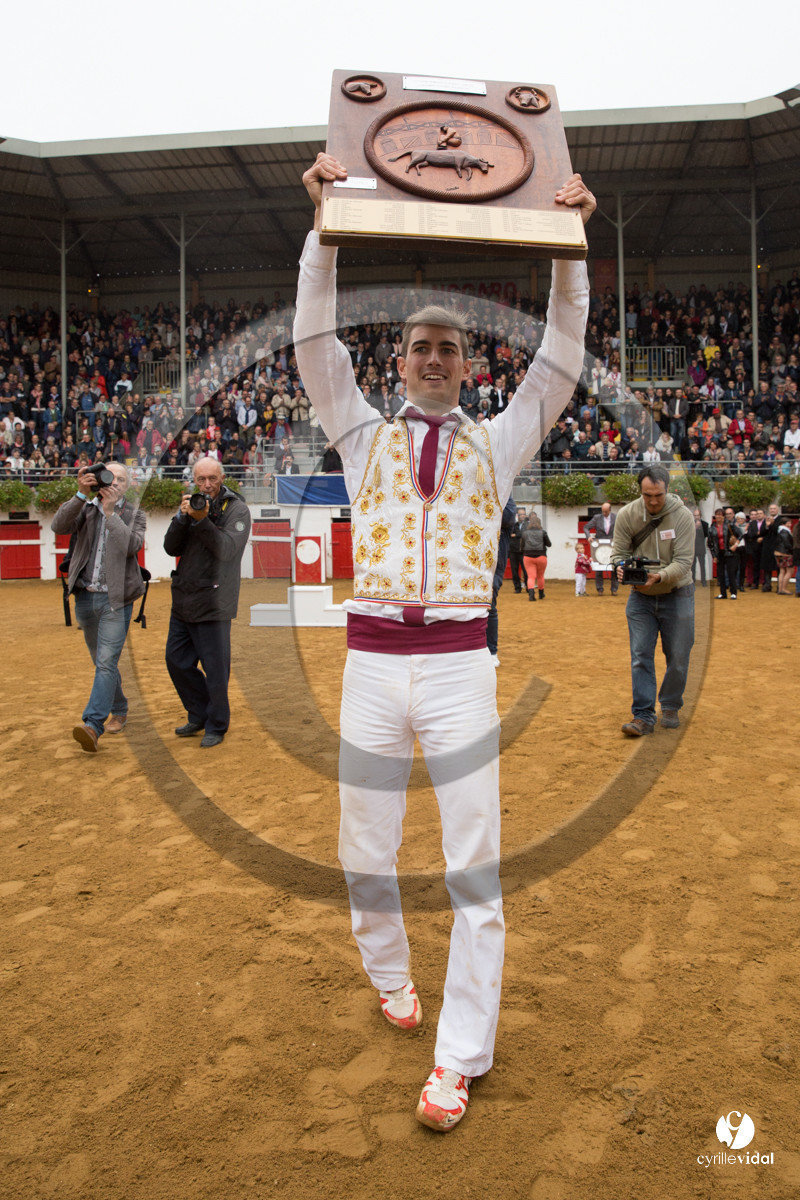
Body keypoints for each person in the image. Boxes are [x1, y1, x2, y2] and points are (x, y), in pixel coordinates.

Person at [295, 151, 594, 1132]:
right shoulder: (359, 434)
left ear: (466, 365)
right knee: (362, 852)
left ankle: (457, 1058)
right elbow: (311, 344)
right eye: (418, 345)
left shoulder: (498, 441)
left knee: (475, 866)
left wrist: (566, 250)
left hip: (463, 664)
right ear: (398, 361)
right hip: (373, 663)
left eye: (447, 349)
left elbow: (558, 357)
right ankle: (389, 973)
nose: (430, 357)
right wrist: (325, 223)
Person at [51, 462, 146, 751]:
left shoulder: (134, 513)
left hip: (116, 601)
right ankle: (119, 706)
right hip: (85, 596)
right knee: (102, 661)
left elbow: (132, 546)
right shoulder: (86, 507)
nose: (113, 483)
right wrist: (80, 495)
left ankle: (93, 724)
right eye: (109, 477)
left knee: (106, 662)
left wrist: (110, 513)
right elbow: (58, 526)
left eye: (120, 479)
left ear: (127, 486)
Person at [163, 457, 251, 748]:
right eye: (201, 479)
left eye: (212, 478)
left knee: (215, 670)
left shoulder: (236, 508)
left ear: (222, 477)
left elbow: (226, 550)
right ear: (194, 479)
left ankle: (216, 725)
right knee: (176, 661)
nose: (207, 485)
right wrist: (181, 517)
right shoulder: (192, 506)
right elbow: (170, 547)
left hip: (215, 601)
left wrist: (202, 522)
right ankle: (199, 713)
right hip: (184, 598)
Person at [611, 464, 695, 736]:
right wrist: (620, 567)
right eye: (647, 495)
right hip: (640, 599)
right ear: (641, 490)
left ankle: (670, 704)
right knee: (640, 656)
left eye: (658, 495)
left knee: (678, 656)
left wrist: (658, 577)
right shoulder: (627, 514)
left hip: (678, 594)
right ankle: (643, 716)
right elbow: (618, 553)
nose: (653, 501)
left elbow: (683, 562)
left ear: (667, 490)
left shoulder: (682, 516)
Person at [486, 495, 517, 664]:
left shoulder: (506, 499)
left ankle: (491, 651)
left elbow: (507, 517)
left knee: (490, 605)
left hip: (493, 563)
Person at [583, 502, 618, 594]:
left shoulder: (616, 517)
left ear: (610, 510)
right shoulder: (597, 518)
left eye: (606, 511)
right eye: (603, 511)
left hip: (612, 545)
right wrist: (589, 536)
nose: (604, 513)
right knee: (598, 567)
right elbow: (586, 527)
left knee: (614, 566)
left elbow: (622, 528)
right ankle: (600, 589)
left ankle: (614, 589)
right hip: (599, 546)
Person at [521, 511, 552, 601]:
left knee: (531, 577)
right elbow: (549, 544)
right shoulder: (543, 532)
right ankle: (541, 594)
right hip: (541, 556)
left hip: (528, 556)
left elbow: (522, 546)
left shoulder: (525, 533)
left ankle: (531, 595)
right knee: (540, 576)